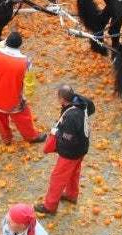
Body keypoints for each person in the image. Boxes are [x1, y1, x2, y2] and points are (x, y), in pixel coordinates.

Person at [35, 84, 95, 215]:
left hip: (71, 153)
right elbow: (92, 108)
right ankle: (71, 194)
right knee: (74, 172)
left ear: (62, 99)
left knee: (57, 177)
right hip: (82, 147)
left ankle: (49, 206)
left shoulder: (71, 117)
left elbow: (68, 139)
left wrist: (57, 136)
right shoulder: (82, 102)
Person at [0, 32, 46, 145]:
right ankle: (31, 136)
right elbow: (29, 83)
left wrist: (3, 43)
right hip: (13, 99)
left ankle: (6, 138)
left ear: (6, 42)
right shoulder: (26, 62)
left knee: (0, 119)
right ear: (20, 45)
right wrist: (28, 96)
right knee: (24, 118)